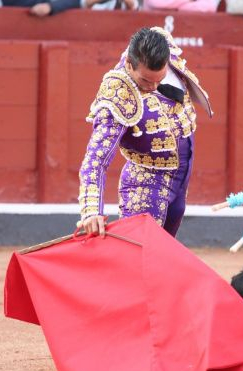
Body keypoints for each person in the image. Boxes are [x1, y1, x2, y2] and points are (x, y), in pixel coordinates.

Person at [78, 27, 212, 238]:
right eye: (145, 81)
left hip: (182, 178)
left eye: (159, 79)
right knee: (138, 259)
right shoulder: (118, 93)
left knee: (164, 254)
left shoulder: (164, 49)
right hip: (146, 185)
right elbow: (96, 158)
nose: (153, 86)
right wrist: (91, 209)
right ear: (130, 66)